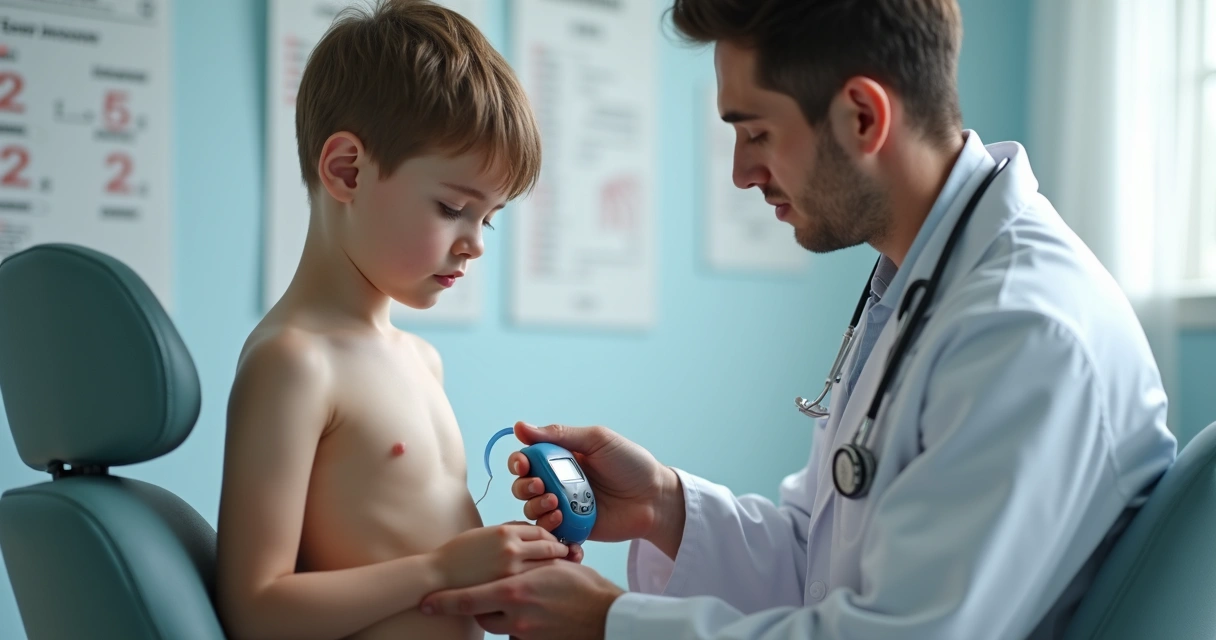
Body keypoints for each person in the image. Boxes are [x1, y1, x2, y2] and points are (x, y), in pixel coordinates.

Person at [416, 0, 1179, 638]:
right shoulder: (921, 289)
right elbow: (821, 560)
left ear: (860, 115)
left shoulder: (1026, 331)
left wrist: (613, 622)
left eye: (755, 134)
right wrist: (662, 505)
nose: (743, 172)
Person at [213, 2, 579, 639]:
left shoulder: (419, 359)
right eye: (452, 208)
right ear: (347, 170)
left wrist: (511, 570)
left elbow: (440, 573)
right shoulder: (294, 363)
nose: (475, 244)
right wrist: (439, 569)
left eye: (487, 219)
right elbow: (254, 609)